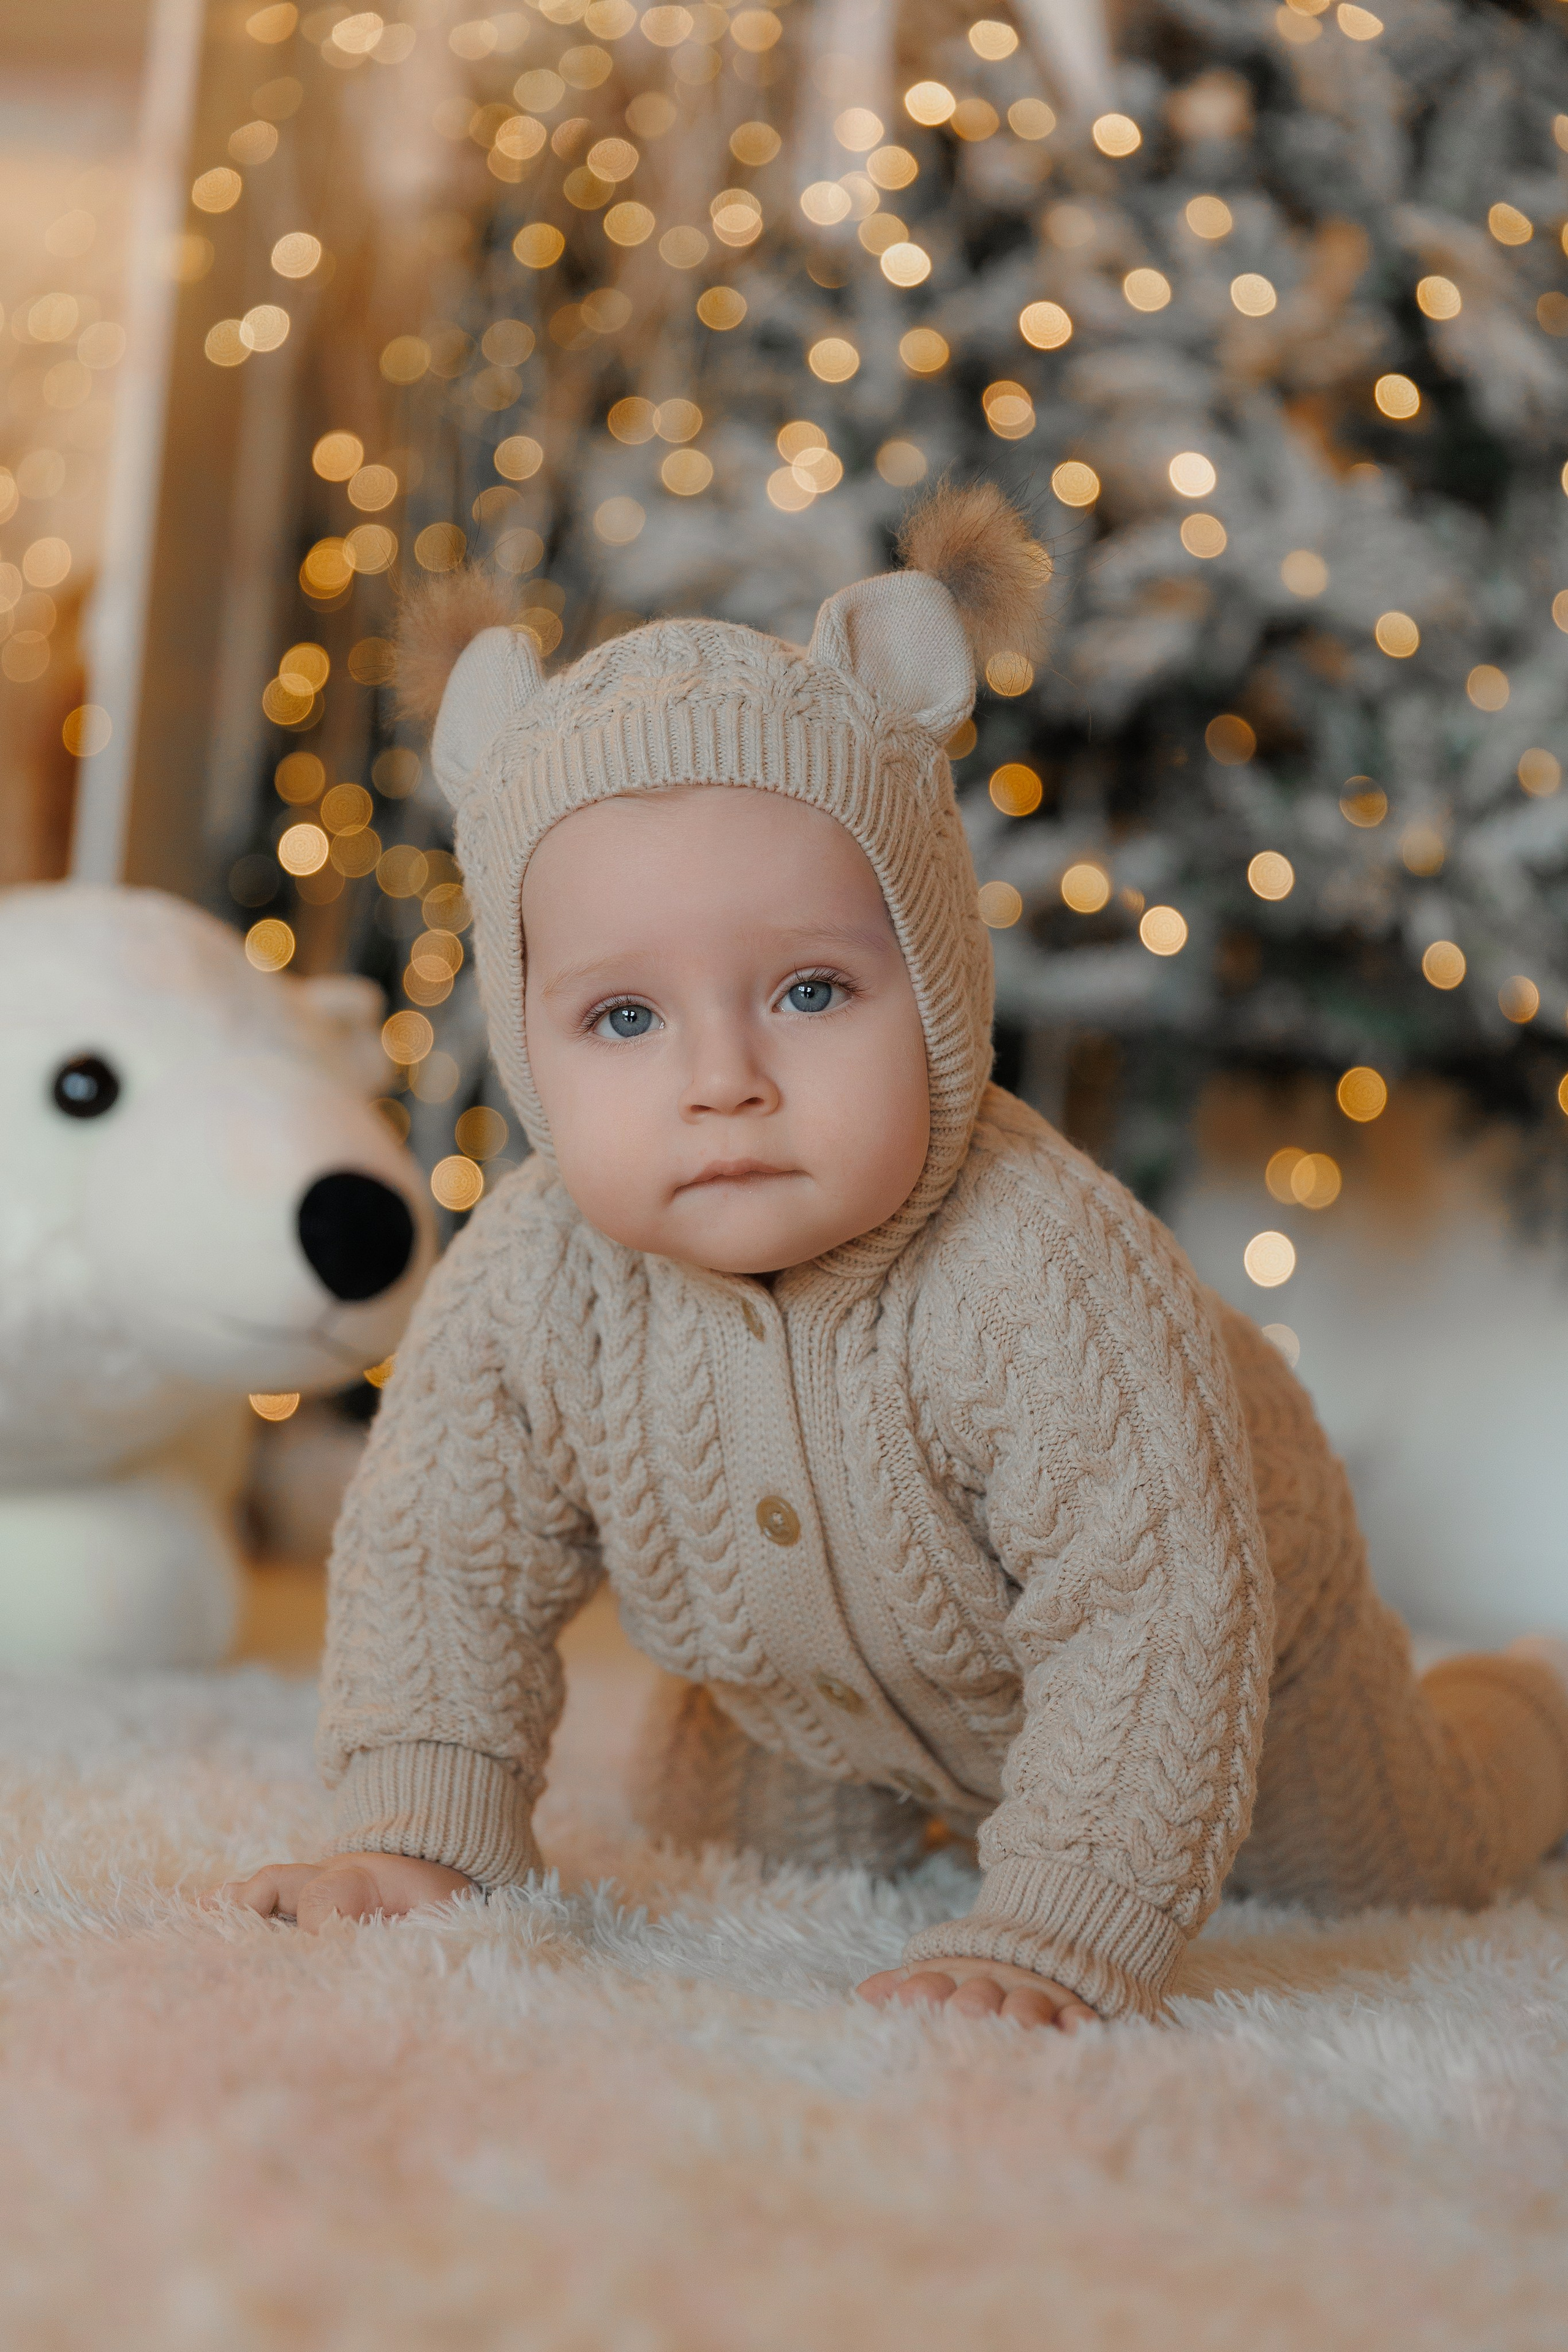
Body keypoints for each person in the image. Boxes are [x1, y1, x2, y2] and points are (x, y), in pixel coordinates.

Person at [217, 484, 1568, 2030]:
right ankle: (873, 1786)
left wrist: (1057, 1926)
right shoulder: (533, 1276)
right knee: (728, 1840)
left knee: (1390, 1863)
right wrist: (413, 1827)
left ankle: (1529, 1706)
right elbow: (443, 1554)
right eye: (624, 1019)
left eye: (805, 991)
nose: (718, 1078)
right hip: (814, 1699)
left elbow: (1150, 1607)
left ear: (929, 983)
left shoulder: (1035, 1262)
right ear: (527, 1044)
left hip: (1236, 1668)